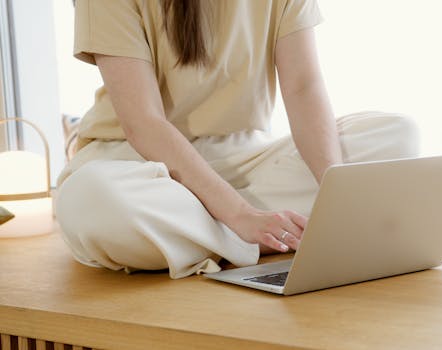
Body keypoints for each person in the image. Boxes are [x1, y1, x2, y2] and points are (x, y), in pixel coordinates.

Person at [56, 0, 419, 278]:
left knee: (396, 135)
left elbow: (303, 87)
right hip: (138, 163)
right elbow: (144, 123)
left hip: (244, 157)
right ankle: (257, 234)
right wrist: (240, 213)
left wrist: (338, 194)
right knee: (93, 201)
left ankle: (230, 233)